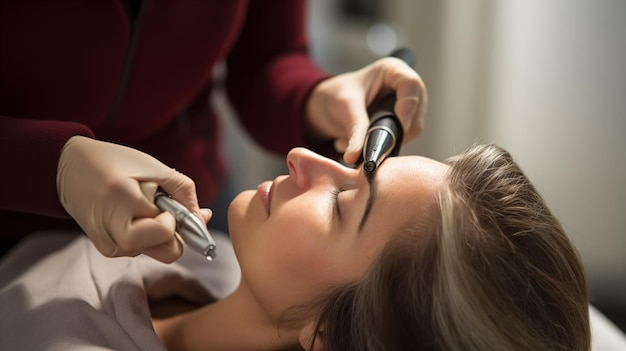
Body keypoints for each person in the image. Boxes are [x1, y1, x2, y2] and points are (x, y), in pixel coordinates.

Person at [0, 144, 591, 350]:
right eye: (355, 167)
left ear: (331, 336)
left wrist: (50, 162)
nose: (304, 159)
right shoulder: (220, 259)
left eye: (341, 206)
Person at [0, 1, 426, 260]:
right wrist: (50, 166)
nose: (300, 156)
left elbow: (266, 57)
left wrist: (317, 98)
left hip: (180, 201)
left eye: (340, 207)